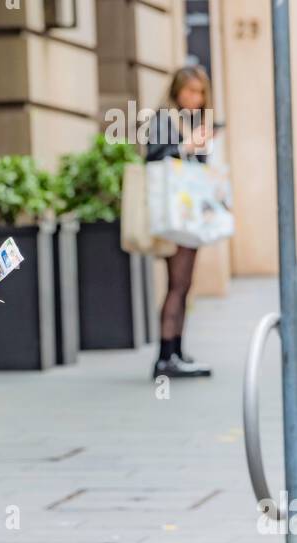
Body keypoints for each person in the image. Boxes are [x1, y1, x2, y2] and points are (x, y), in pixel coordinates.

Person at [147, 65, 214, 380]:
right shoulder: (165, 119)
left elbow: (199, 168)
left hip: (189, 213)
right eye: (190, 91)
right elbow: (154, 158)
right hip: (173, 214)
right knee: (177, 284)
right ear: (177, 91)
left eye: (200, 92)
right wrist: (188, 146)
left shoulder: (196, 121)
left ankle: (176, 350)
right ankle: (164, 358)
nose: (195, 98)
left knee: (185, 285)